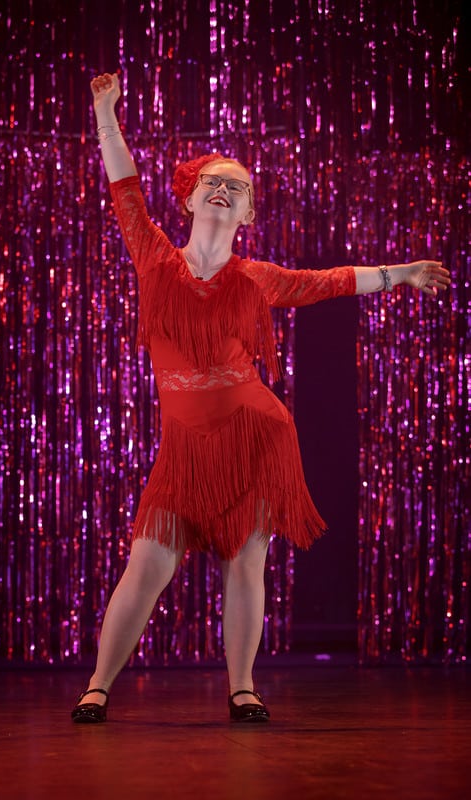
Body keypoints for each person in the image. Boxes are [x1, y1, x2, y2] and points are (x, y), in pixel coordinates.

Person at [71, 72, 450, 724]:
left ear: (247, 211)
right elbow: (123, 186)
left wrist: (402, 274)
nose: (223, 192)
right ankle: (98, 686)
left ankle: (242, 687)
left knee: (245, 566)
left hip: (255, 436)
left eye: (237, 188)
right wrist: (106, 112)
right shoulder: (154, 258)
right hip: (185, 448)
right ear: (190, 200)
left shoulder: (257, 278)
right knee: (147, 566)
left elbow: (327, 281)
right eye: (213, 183)